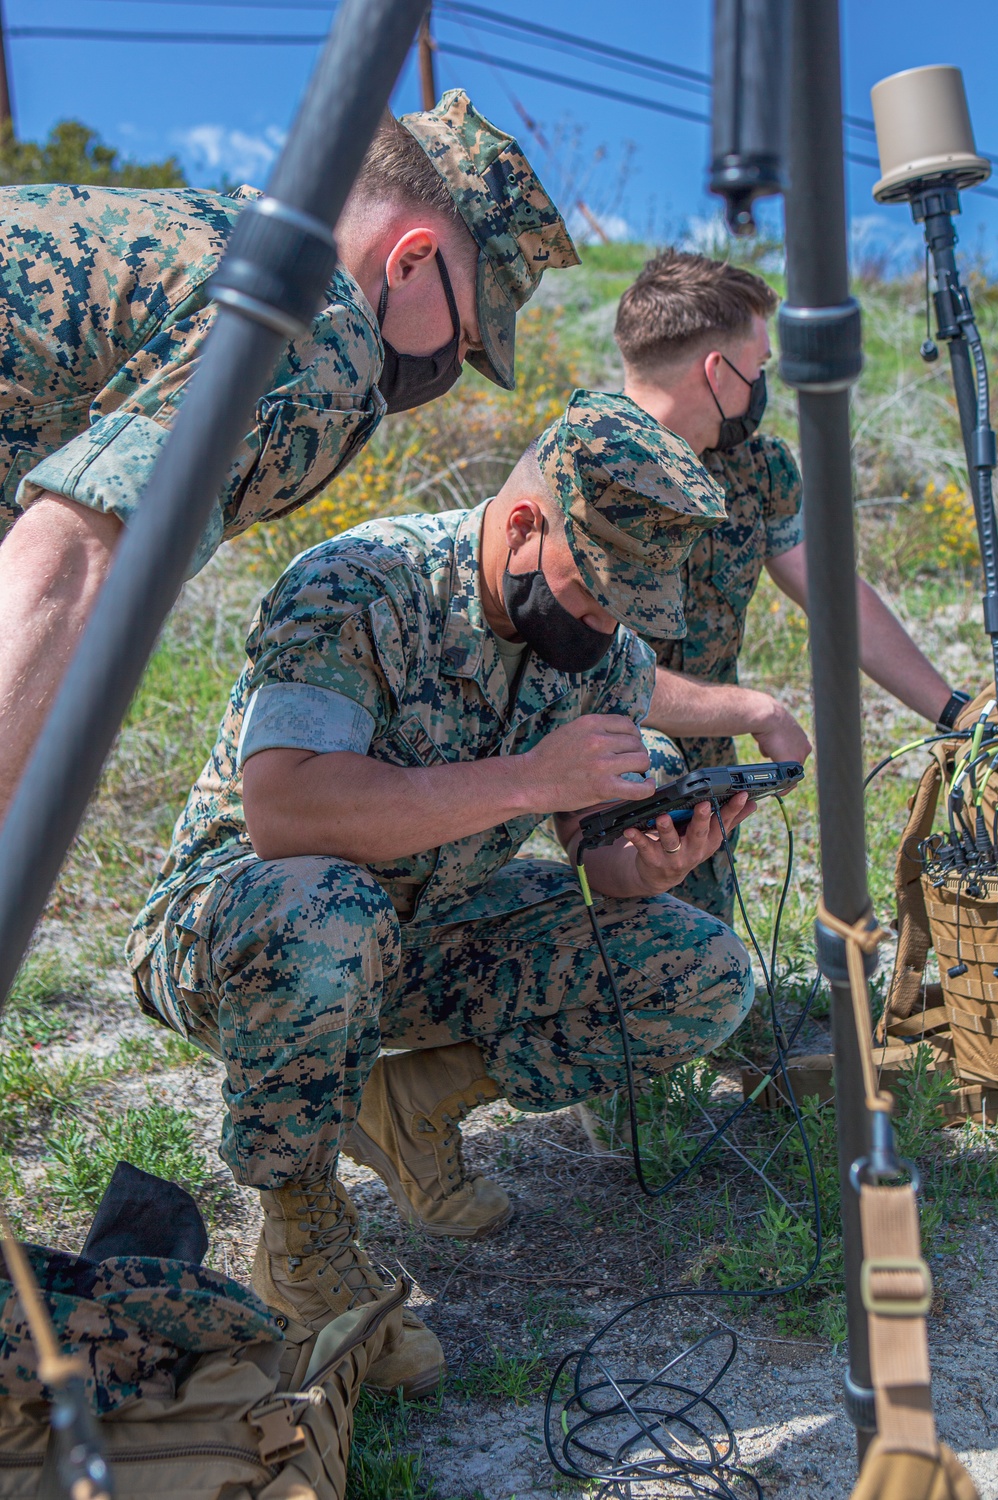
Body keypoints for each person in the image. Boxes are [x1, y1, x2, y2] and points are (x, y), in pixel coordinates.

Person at [127, 390, 756, 1400]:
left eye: (629, 605)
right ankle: (300, 1235)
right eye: (592, 590)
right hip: (245, 927)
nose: (605, 624)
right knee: (327, 912)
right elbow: (285, 813)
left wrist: (646, 868)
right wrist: (532, 779)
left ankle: (409, 1107)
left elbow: (591, 859)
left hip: (424, 926)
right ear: (520, 525)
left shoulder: (596, 650)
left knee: (698, 968)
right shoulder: (361, 582)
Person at [0, 90, 578, 817]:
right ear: (411, 260)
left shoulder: (215, 237)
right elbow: (74, 557)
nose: (448, 368)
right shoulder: (315, 332)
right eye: (462, 339)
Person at [614, 249, 966, 921]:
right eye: (761, 369)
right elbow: (591, 682)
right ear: (718, 372)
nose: (763, 387)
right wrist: (758, 712)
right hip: (607, 760)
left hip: (707, 763)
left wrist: (953, 711)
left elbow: (834, 596)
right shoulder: (588, 473)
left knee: (707, 949)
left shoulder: (752, 468)